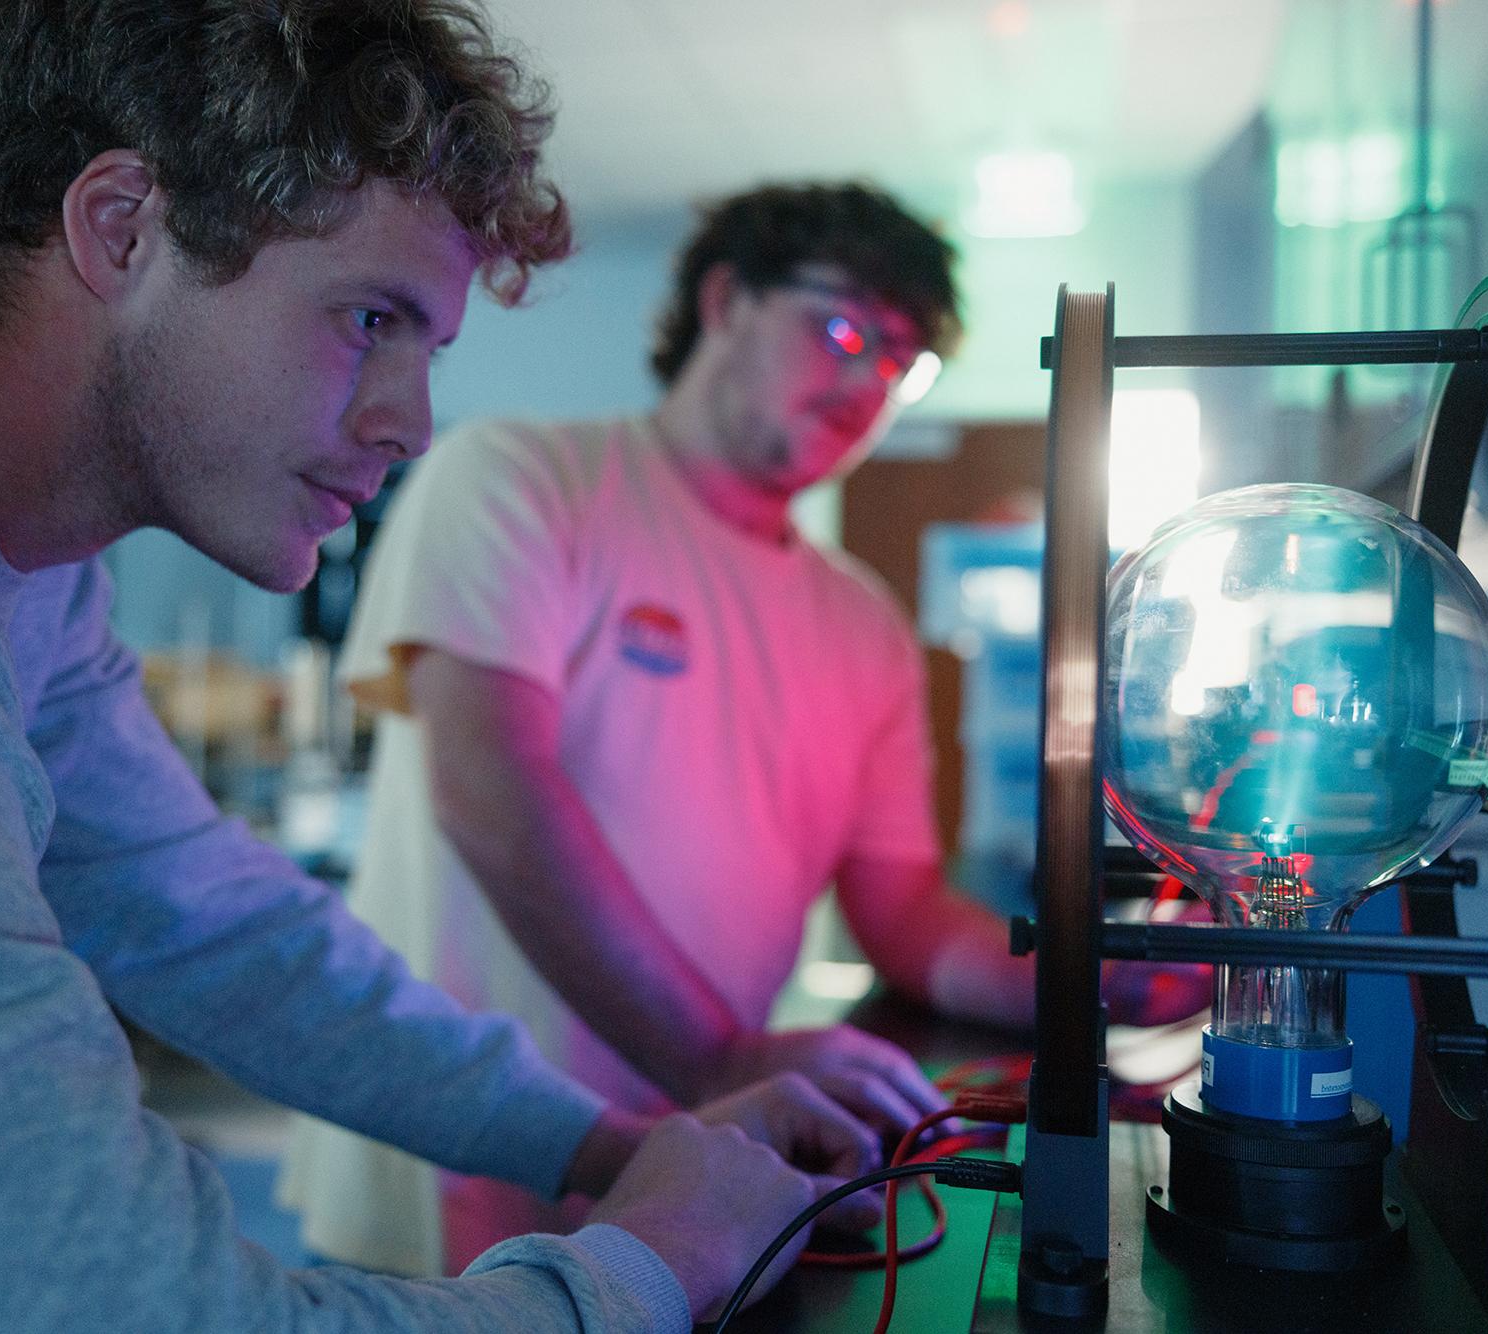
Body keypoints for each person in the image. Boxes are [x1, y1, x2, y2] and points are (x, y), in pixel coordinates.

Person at [0, 4, 892, 1330]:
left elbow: (207, 916)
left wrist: (613, 1150)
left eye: (428, 347)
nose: (410, 424)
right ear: (121, 229)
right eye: (370, 318)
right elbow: (127, 1304)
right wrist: (638, 1269)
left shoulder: (28, 556)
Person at [280, 181, 1214, 1274]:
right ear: (725, 300)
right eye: (845, 329)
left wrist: (1085, 982)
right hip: (450, 1147)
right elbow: (493, 793)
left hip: (701, 1154)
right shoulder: (523, 477)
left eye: (900, 363)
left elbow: (900, 903)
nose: (868, 381)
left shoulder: (859, 619)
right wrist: (717, 1052)